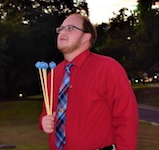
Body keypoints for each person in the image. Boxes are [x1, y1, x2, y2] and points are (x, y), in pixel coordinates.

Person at [38, 13, 138, 150]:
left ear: (86, 36)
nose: (63, 32)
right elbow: (47, 112)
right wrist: (44, 121)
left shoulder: (108, 68)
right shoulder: (53, 74)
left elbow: (126, 117)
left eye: (70, 28)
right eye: (61, 29)